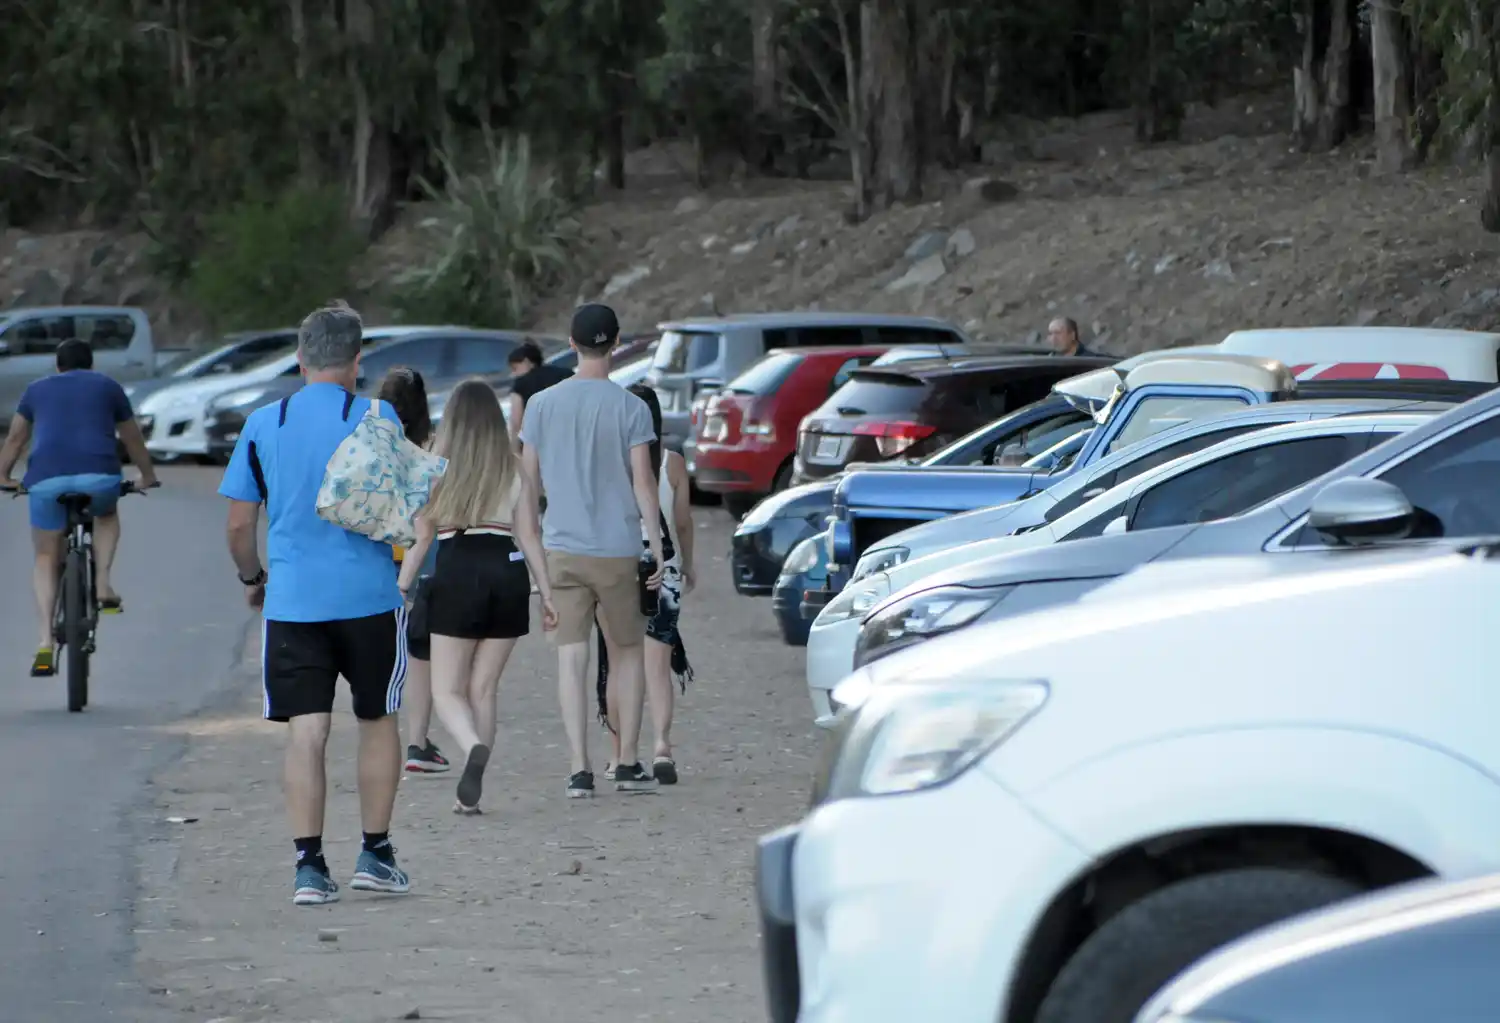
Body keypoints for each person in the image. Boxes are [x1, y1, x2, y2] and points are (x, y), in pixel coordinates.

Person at [218, 301, 411, 906]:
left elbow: (238, 524)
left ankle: (309, 867)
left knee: (308, 732)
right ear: (357, 362)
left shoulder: (262, 423)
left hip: (294, 602)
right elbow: (399, 508)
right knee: (377, 719)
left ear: (300, 359)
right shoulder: (380, 416)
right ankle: (375, 855)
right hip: (369, 598)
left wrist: (254, 576)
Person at [519, 303, 664, 798]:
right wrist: (658, 548)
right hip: (618, 548)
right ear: (617, 342)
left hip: (562, 547)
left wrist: (535, 554)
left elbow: (529, 485)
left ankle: (579, 768)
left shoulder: (540, 404)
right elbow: (643, 485)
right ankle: (625, 762)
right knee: (626, 654)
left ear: (572, 342)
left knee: (571, 660)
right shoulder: (631, 407)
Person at [398, 379, 557, 814]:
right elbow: (529, 534)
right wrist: (546, 592)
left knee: (446, 689)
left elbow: (423, 535)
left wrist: (400, 586)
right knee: (484, 688)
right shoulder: (515, 465)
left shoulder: (436, 465)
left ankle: (470, 749)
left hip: (458, 566)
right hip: (507, 571)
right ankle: (470, 796)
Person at [0, 338, 158, 676]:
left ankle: (44, 643)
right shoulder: (108, 386)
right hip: (100, 477)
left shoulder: (36, 390)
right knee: (106, 513)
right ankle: (102, 583)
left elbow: (15, 439)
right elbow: (132, 438)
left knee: (45, 556)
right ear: (91, 365)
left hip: (45, 480)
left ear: (57, 366)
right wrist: (147, 475)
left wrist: (4, 476)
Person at [599, 383, 696, 785]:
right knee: (657, 664)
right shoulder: (672, 464)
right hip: (665, 565)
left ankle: (618, 753)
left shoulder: (610, 461)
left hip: (617, 560)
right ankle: (661, 745)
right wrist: (689, 565)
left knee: (616, 660)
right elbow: (685, 521)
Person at [376, 367, 450, 776]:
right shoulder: (433, 447)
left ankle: (381, 730)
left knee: (381, 654)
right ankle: (417, 741)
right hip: (425, 561)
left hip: (376, 558)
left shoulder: (368, 443)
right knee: (421, 655)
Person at [506, 339, 571, 447]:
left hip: (538, 447)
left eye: (515, 368)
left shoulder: (520, 384)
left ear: (527, 362)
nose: (514, 374)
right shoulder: (566, 374)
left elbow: (516, 423)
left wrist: (515, 450)